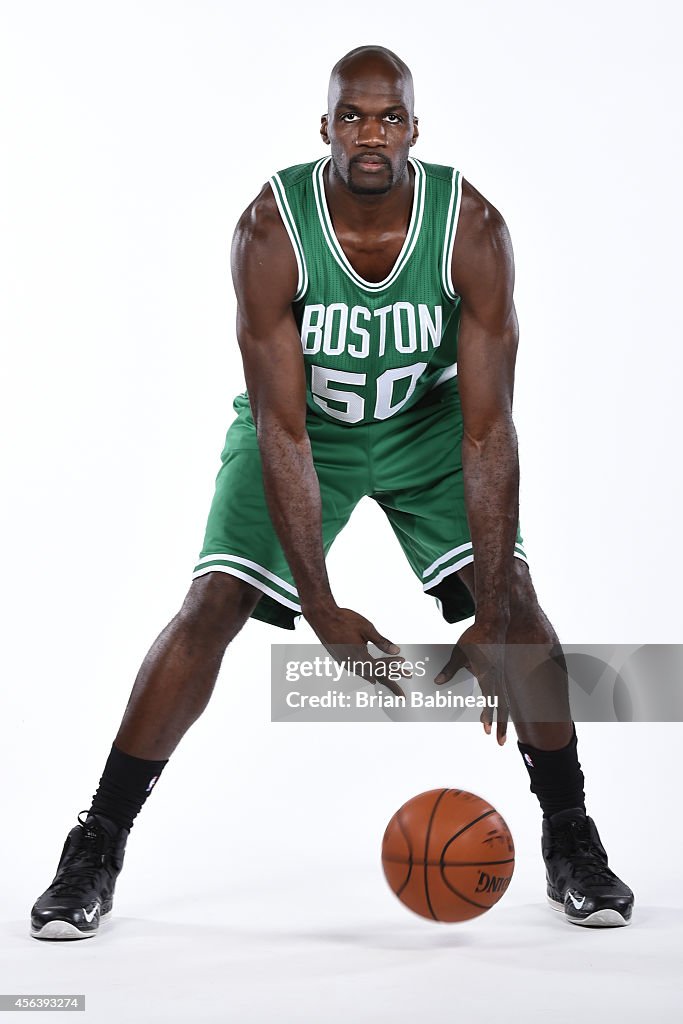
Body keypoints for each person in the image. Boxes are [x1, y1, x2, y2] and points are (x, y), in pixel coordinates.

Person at [30, 45, 634, 939]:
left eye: (388, 118)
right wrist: (319, 608)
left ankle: (570, 837)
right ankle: (96, 845)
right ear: (324, 128)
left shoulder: (469, 228)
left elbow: (488, 428)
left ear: (415, 131)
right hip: (306, 430)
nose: (370, 135)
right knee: (213, 604)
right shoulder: (271, 231)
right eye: (352, 116)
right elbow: (278, 428)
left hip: (429, 429)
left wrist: (494, 604)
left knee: (526, 616)